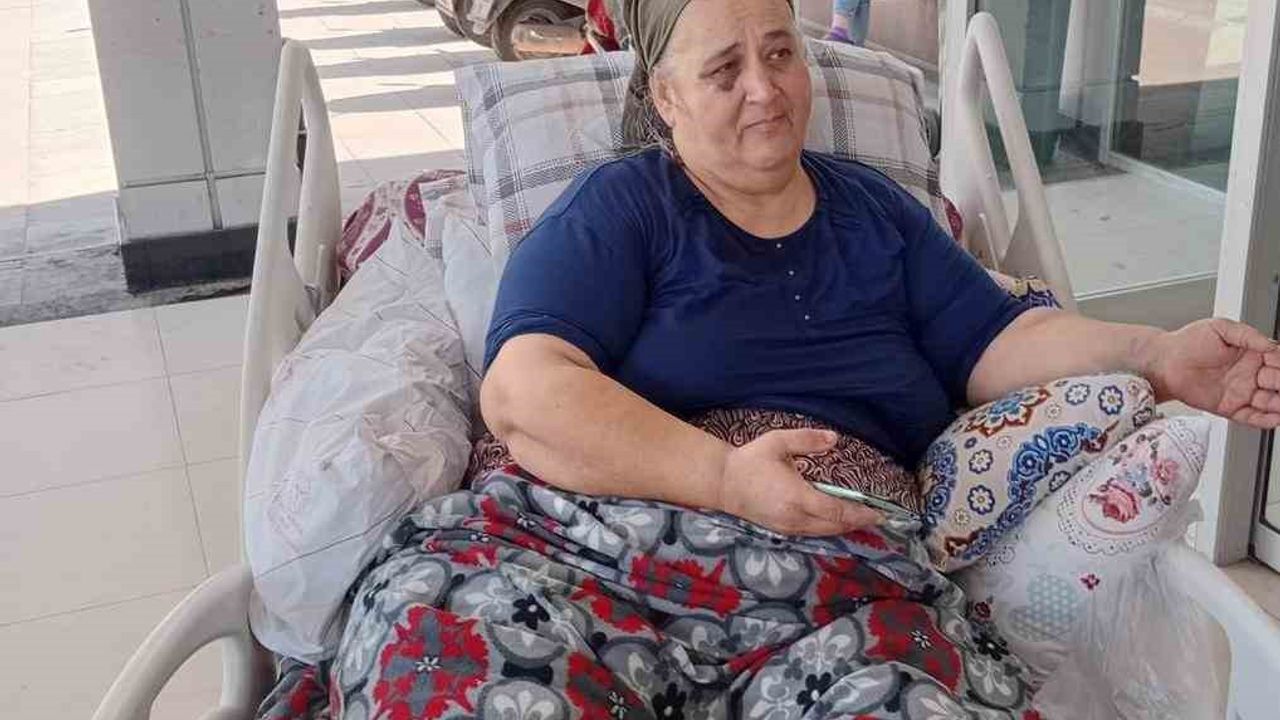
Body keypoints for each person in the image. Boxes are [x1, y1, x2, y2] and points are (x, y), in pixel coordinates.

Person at [304, 1, 1280, 716]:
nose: (765, 89)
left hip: (836, 595)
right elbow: (524, 393)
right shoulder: (622, 210)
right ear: (664, 97)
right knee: (468, 664)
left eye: (780, 52)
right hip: (576, 555)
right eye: (724, 68)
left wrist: (1158, 354)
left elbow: (997, 340)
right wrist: (726, 478)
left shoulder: (879, 215)